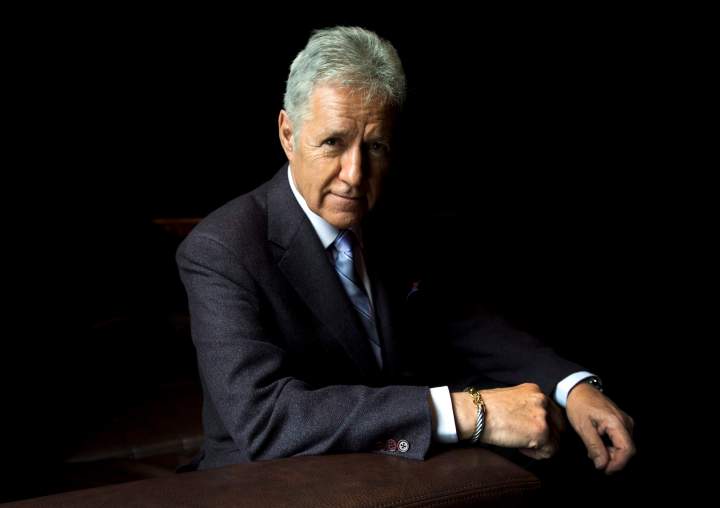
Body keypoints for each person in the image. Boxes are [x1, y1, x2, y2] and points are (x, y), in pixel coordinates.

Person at [176, 26, 635, 475]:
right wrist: (469, 412)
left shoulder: (392, 215)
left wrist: (572, 387)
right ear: (287, 134)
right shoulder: (220, 250)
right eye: (333, 142)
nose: (354, 175)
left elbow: (465, 321)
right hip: (270, 478)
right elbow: (265, 419)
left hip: (389, 461)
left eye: (374, 146)